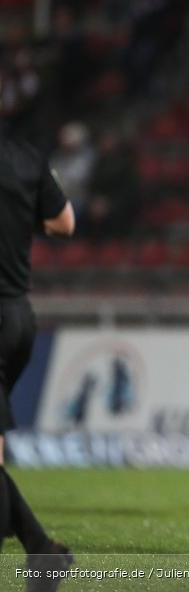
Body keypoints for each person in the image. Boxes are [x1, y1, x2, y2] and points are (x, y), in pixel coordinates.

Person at [0, 128, 75, 590]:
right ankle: (40, 551)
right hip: (18, 318)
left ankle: (41, 549)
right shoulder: (26, 155)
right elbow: (65, 223)